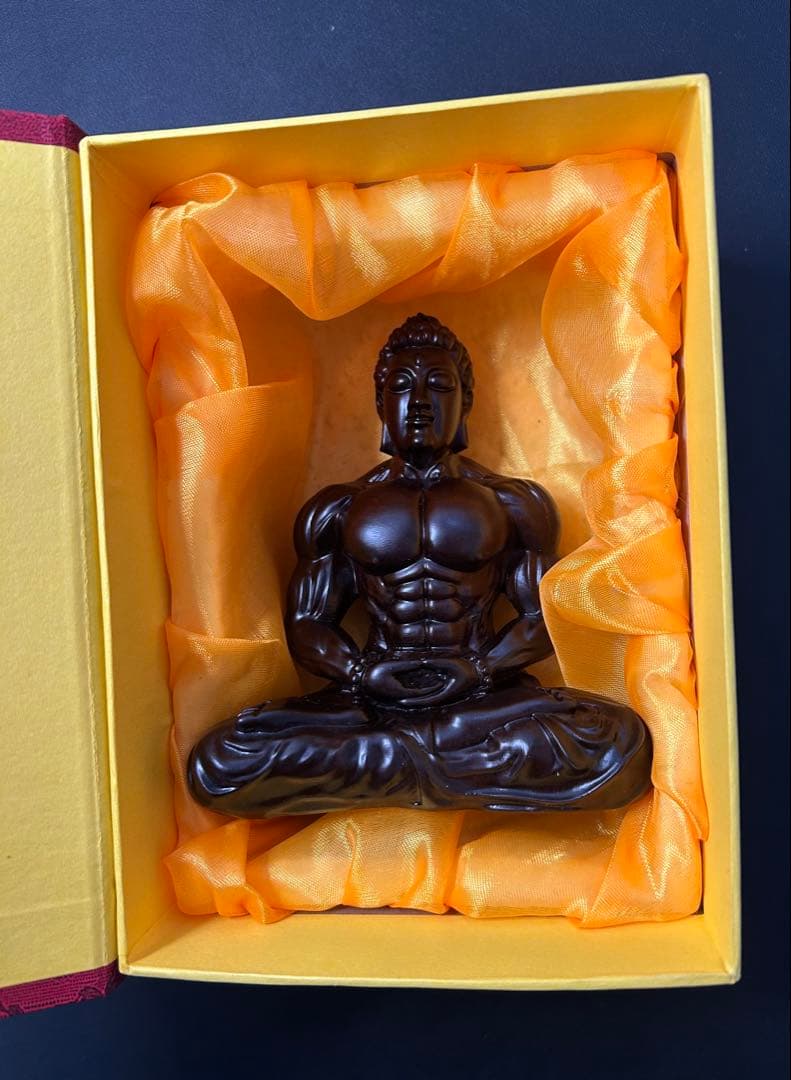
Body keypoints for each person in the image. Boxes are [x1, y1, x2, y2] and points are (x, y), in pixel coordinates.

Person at [188, 314, 651, 817]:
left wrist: (479, 668)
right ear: (381, 403)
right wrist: (362, 673)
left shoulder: (515, 503)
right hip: (371, 695)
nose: (421, 402)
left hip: (481, 696)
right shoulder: (337, 509)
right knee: (221, 761)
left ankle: (384, 764)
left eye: (440, 386)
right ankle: (446, 766)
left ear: (465, 402)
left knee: (620, 744)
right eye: (402, 386)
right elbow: (308, 624)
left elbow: (541, 618)